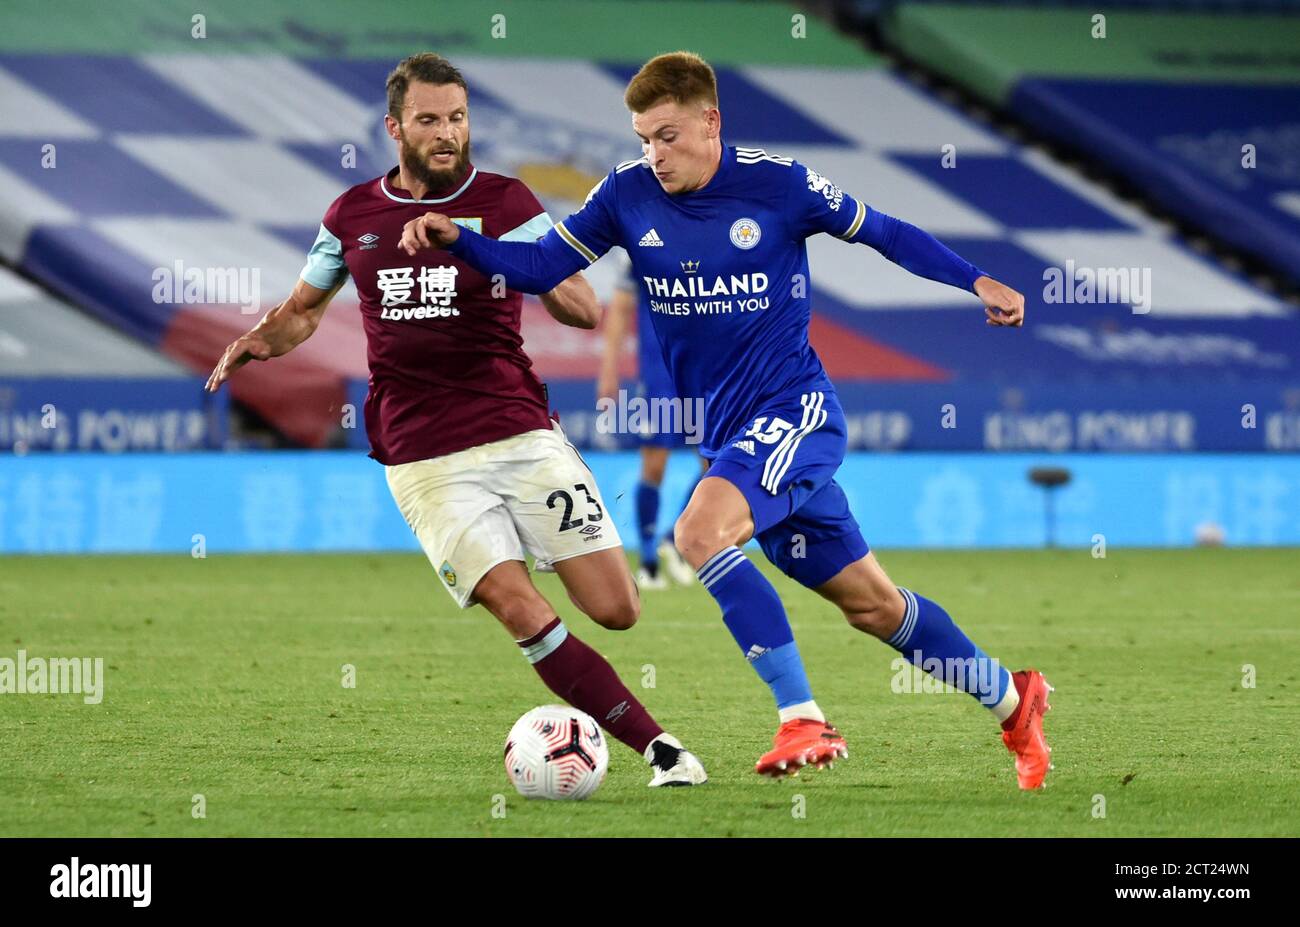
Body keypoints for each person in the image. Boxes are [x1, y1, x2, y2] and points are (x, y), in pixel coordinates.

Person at [396, 51, 1052, 788]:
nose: (655, 154)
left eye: (667, 136)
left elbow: (885, 232)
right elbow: (543, 266)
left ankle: (802, 717)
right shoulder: (626, 193)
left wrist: (975, 279)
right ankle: (1013, 699)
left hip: (794, 411)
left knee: (698, 533)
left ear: (711, 122)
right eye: (644, 138)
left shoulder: (781, 184)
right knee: (873, 606)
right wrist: (463, 242)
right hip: (727, 436)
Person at [207, 53, 706, 788]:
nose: (447, 133)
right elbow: (302, 311)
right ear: (395, 128)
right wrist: (259, 339)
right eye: (429, 120)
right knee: (517, 607)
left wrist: (498, 254)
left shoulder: (505, 200)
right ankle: (661, 749)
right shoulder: (351, 217)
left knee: (617, 608)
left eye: (458, 118)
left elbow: (581, 305)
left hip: (519, 432)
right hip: (423, 456)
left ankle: (582, 607)